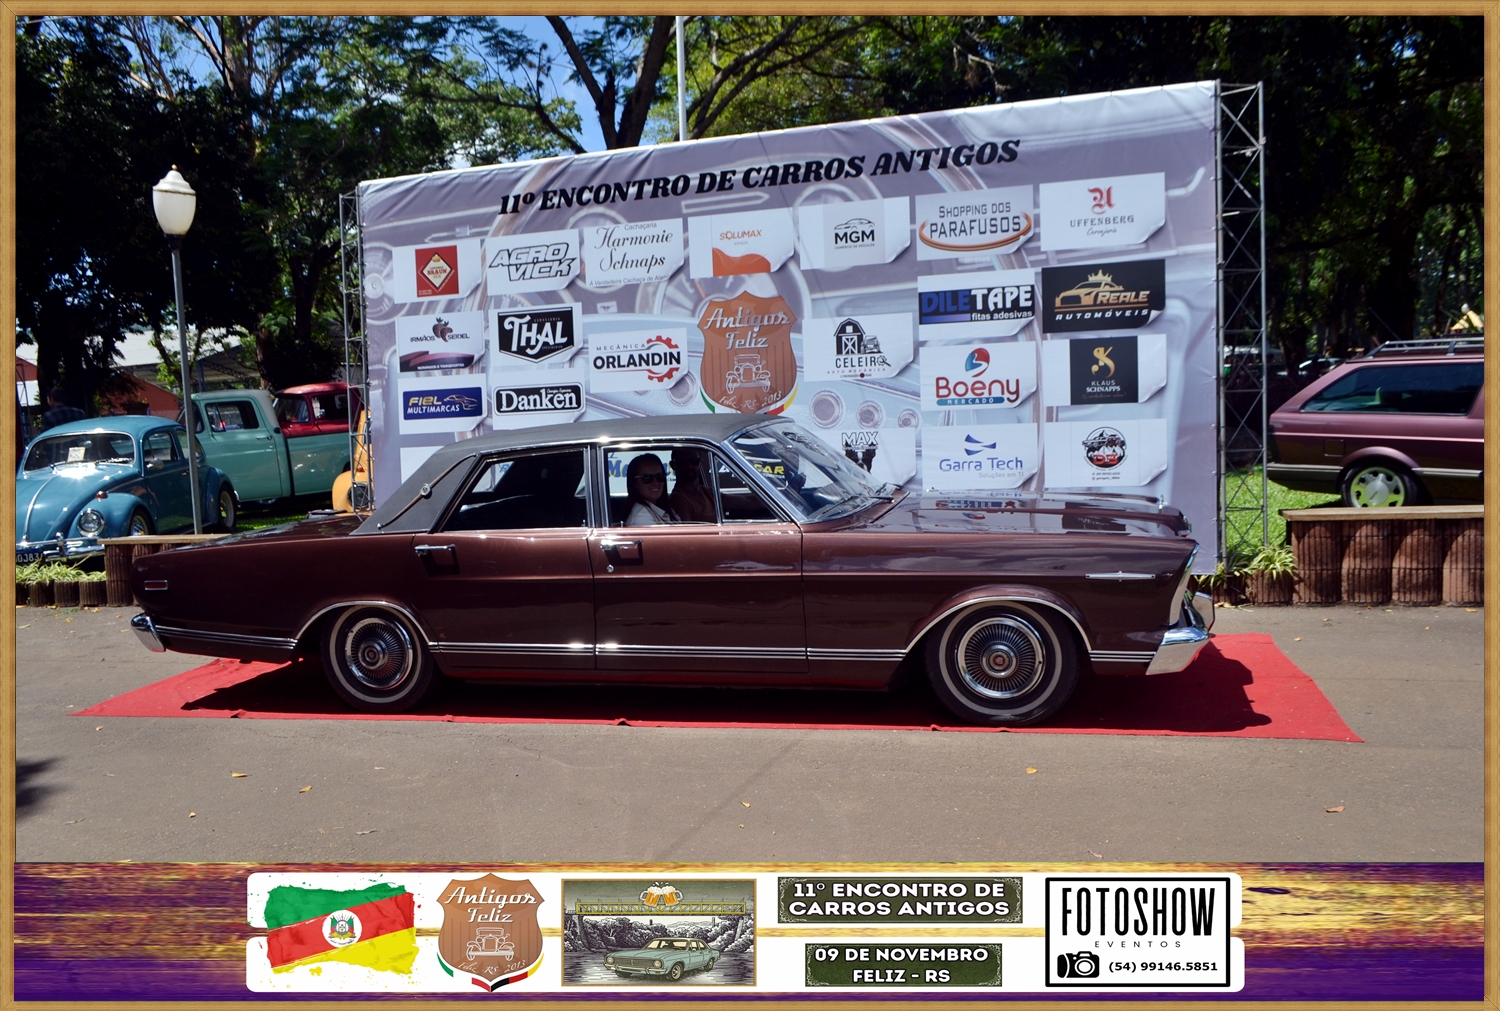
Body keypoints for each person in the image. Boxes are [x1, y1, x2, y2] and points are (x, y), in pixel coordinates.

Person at [624, 453, 677, 526]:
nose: (655, 483)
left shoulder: (663, 508)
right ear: (634, 483)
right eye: (647, 478)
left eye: (659, 476)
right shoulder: (642, 517)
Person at [667, 447, 716, 523]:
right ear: (673, 465)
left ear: (701, 463)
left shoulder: (707, 492)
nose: (689, 466)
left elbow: (731, 501)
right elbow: (685, 530)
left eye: (694, 461)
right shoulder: (678, 499)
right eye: (682, 462)